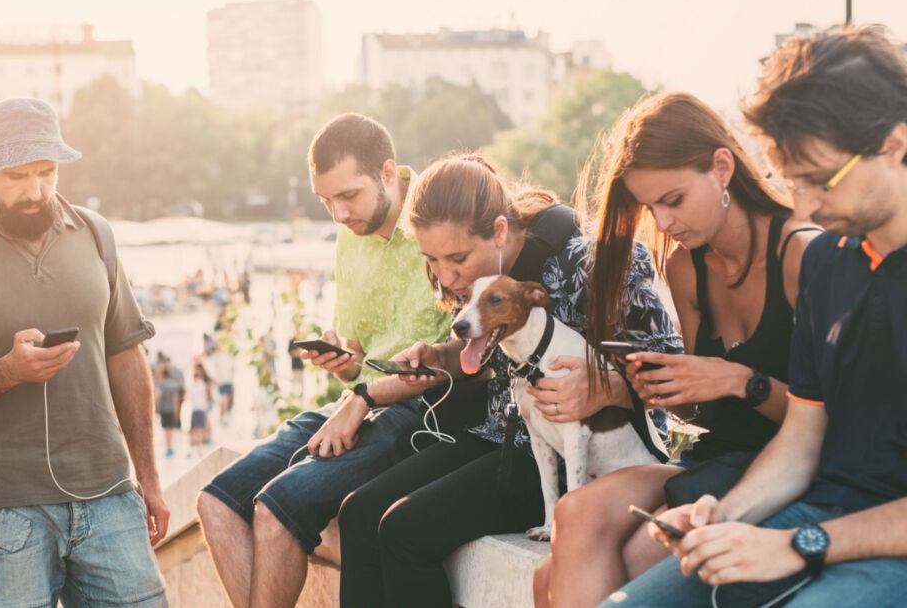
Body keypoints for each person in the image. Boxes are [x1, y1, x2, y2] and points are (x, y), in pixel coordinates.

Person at [600, 25, 907, 608]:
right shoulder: (828, 261)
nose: (804, 205)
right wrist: (725, 514)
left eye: (820, 182)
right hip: (815, 513)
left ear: (894, 144)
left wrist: (800, 544)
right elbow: (801, 438)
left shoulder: (804, 249)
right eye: (794, 184)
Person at [336, 153, 684, 607]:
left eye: (457, 258)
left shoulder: (594, 260)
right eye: (431, 259)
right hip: (504, 433)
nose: (445, 275)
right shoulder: (470, 276)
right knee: (357, 512)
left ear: (499, 231)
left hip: (591, 455)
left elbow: (674, 367)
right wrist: (440, 356)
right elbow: (482, 356)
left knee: (405, 531)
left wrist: (606, 387)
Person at [533, 91, 819, 607]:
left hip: (782, 468)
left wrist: (741, 382)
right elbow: (700, 414)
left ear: (722, 168)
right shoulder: (687, 265)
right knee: (572, 515)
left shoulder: (801, 254)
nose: (662, 225)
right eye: (650, 208)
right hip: (711, 458)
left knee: (584, 571)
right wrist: (658, 389)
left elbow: (825, 421)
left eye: (674, 200)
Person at [0, 97, 168, 607]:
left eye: (46, 172)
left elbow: (126, 357)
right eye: (16, 176)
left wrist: (149, 478)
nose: (35, 191)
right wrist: (7, 371)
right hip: (2, 509)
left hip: (109, 496)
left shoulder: (98, 236)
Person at [196, 113, 451, 608]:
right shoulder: (349, 237)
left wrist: (361, 395)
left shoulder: (439, 216)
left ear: (387, 172)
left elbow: (452, 362)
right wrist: (343, 361)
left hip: (420, 415)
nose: (337, 214)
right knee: (215, 504)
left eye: (348, 196)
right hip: (356, 403)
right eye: (325, 201)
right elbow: (359, 355)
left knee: (276, 510)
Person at [155, 361, 184, 458]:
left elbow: (157, 396)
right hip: (171, 410)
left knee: (166, 430)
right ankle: (170, 447)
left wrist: (154, 406)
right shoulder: (173, 385)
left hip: (164, 410)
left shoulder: (161, 385)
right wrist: (177, 411)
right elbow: (176, 399)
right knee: (170, 430)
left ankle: (168, 448)